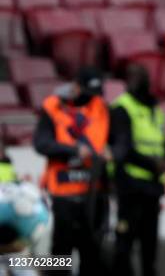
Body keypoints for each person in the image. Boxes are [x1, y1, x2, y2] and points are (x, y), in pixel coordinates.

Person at [33, 66, 111, 276]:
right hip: (63, 196)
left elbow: (118, 142)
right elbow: (41, 144)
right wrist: (74, 150)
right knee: (59, 257)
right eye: (87, 93)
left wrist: (111, 152)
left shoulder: (102, 108)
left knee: (92, 256)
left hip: (94, 195)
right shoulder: (52, 107)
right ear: (75, 87)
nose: (91, 98)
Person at [110, 63, 165, 276]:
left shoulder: (155, 109)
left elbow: (163, 142)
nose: (135, 81)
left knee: (150, 246)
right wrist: (155, 165)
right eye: (132, 77)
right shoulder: (122, 107)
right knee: (124, 245)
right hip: (130, 186)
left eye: (139, 76)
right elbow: (123, 149)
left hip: (152, 188)